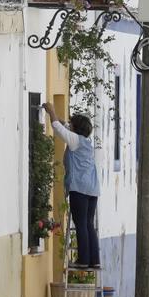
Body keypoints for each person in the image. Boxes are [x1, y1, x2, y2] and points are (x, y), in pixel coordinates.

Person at [42, 102, 100, 269]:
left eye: (71, 123)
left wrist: (51, 110)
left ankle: (83, 259)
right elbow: (64, 124)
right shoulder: (85, 141)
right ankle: (94, 260)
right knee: (88, 223)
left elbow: (57, 127)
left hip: (79, 188)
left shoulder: (74, 141)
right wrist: (58, 118)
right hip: (92, 189)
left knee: (80, 223)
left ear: (75, 128)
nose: (69, 124)